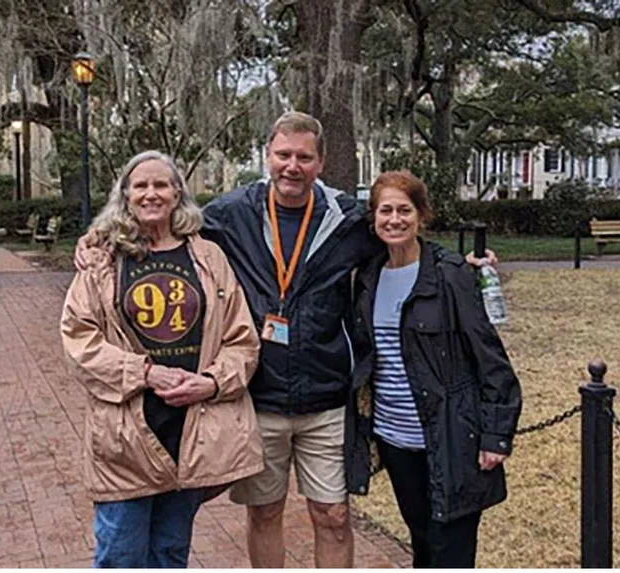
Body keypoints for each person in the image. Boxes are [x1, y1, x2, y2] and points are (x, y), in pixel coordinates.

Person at [75, 112, 496, 568]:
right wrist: (98, 234)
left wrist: (458, 265)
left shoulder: (349, 219)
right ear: (267, 156)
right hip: (259, 399)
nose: (291, 166)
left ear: (321, 162)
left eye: (303, 157)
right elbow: (162, 224)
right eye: (283, 155)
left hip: (326, 399)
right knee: (265, 513)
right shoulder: (230, 214)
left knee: (334, 516)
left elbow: (401, 237)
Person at [60, 150, 265, 568]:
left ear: (177, 194)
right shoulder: (103, 260)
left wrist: (212, 381)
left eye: (160, 184)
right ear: (126, 195)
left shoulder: (208, 258)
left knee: (171, 553)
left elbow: (241, 339)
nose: (151, 193)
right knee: (121, 554)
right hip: (127, 434)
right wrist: (146, 373)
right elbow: (79, 341)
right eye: (141, 185)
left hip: (190, 434)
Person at [344, 170, 522, 568]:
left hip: (449, 435)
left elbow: (491, 359)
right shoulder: (369, 277)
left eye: (404, 210)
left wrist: (496, 435)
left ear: (421, 215)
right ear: (373, 218)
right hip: (395, 439)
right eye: (385, 210)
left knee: (450, 551)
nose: (394, 219)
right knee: (422, 541)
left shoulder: (450, 273)